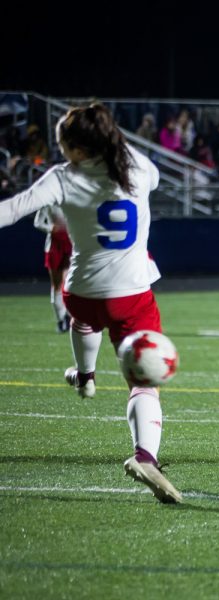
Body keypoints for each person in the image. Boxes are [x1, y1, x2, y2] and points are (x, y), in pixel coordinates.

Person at [0, 103, 182, 503]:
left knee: (85, 321)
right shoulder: (138, 167)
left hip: (80, 294)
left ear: (78, 149)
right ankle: (144, 456)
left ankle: (85, 377)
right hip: (131, 294)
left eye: (63, 141)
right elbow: (142, 179)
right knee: (143, 382)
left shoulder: (63, 178)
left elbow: (12, 210)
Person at [33, 205, 72, 332]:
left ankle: (68, 316)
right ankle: (60, 319)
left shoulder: (72, 196)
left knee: (68, 283)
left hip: (71, 242)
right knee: (57, 285)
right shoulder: (48, 201)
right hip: (54, 245)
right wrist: (51, 228)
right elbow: (38, 222)